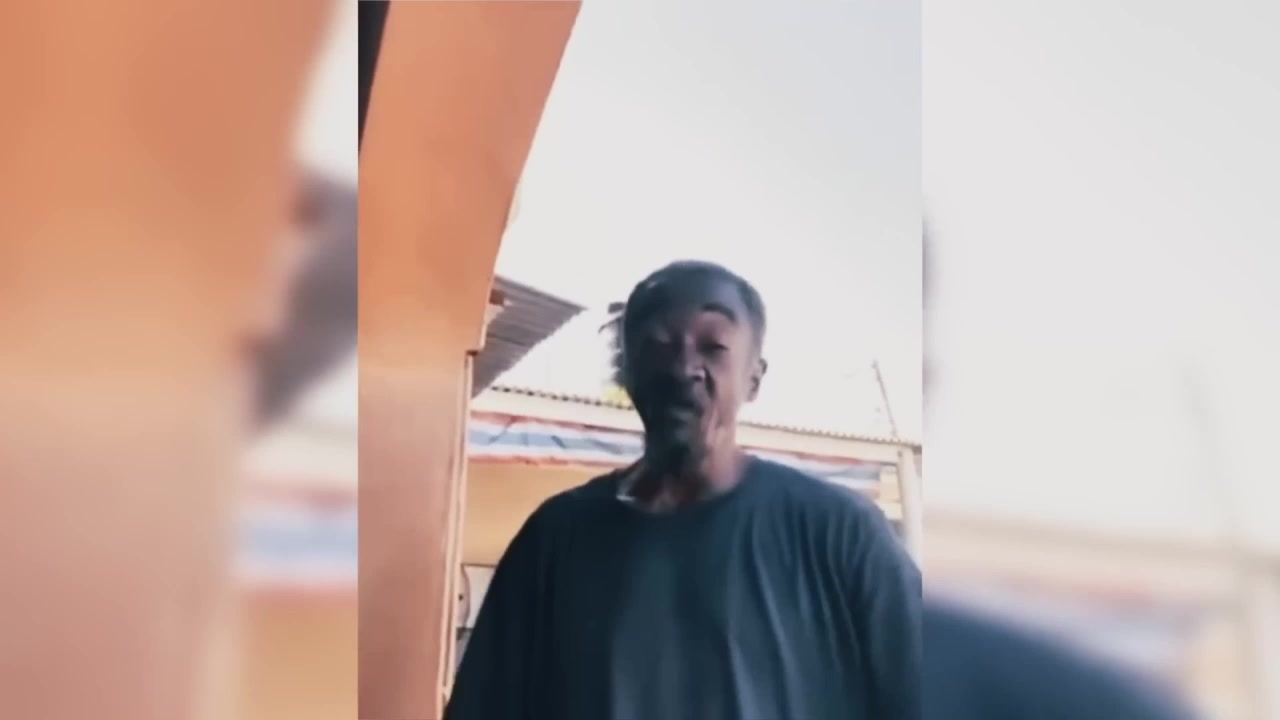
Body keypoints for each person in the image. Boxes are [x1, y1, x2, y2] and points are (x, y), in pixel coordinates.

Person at [446, 260, 922, 720]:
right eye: (657, 344)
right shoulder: (553, 542)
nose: (682, 366)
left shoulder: (840, 535)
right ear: (626, 372)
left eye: (713, 346)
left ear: (754, 378)